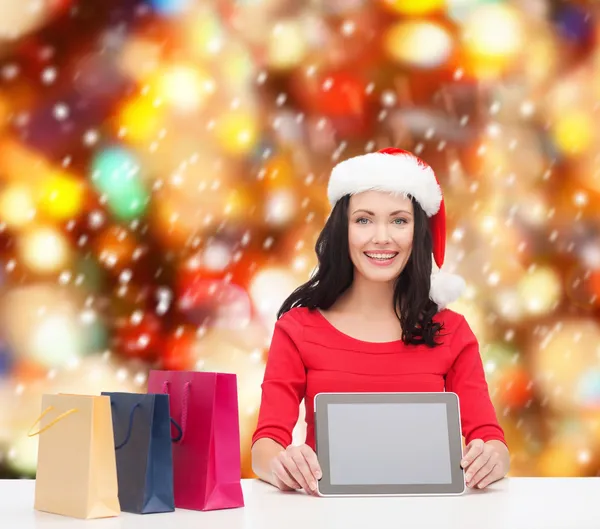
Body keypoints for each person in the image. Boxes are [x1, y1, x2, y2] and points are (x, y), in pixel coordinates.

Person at [250, 147, 510, 495]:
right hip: (329, 516)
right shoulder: (297, 329)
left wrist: (491, 459)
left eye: (399, 220)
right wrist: (281, 465)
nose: (382, 237)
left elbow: (492, 439)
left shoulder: (453, 332)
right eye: (364, 219)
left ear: (418, 233)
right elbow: (266, 445)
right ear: (343, 230)